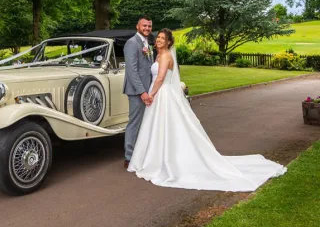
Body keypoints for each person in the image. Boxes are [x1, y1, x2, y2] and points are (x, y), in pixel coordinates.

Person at [127, 28, 287, 192]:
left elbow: (160, 78)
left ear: (169, 42)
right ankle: (156, 158)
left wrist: (150, 95)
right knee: (156, 127)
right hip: (160, 94)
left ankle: (165, 160)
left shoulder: (166, 56)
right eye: (158, 37)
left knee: (166, 126)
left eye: (163, 38)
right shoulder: (158, 55)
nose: (159, 40)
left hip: (162, 94)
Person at [122, 16, 155, 168]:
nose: (147, 28)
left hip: (148, 90)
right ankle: (129, 157)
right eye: (144, 26)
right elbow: (131, 71)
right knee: (134, 123)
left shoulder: (147, 43)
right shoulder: (132, 43)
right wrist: (142, 92)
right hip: (137, 91)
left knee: (144, 122)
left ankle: (140, 154)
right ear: (137, 27)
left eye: (149, 26)